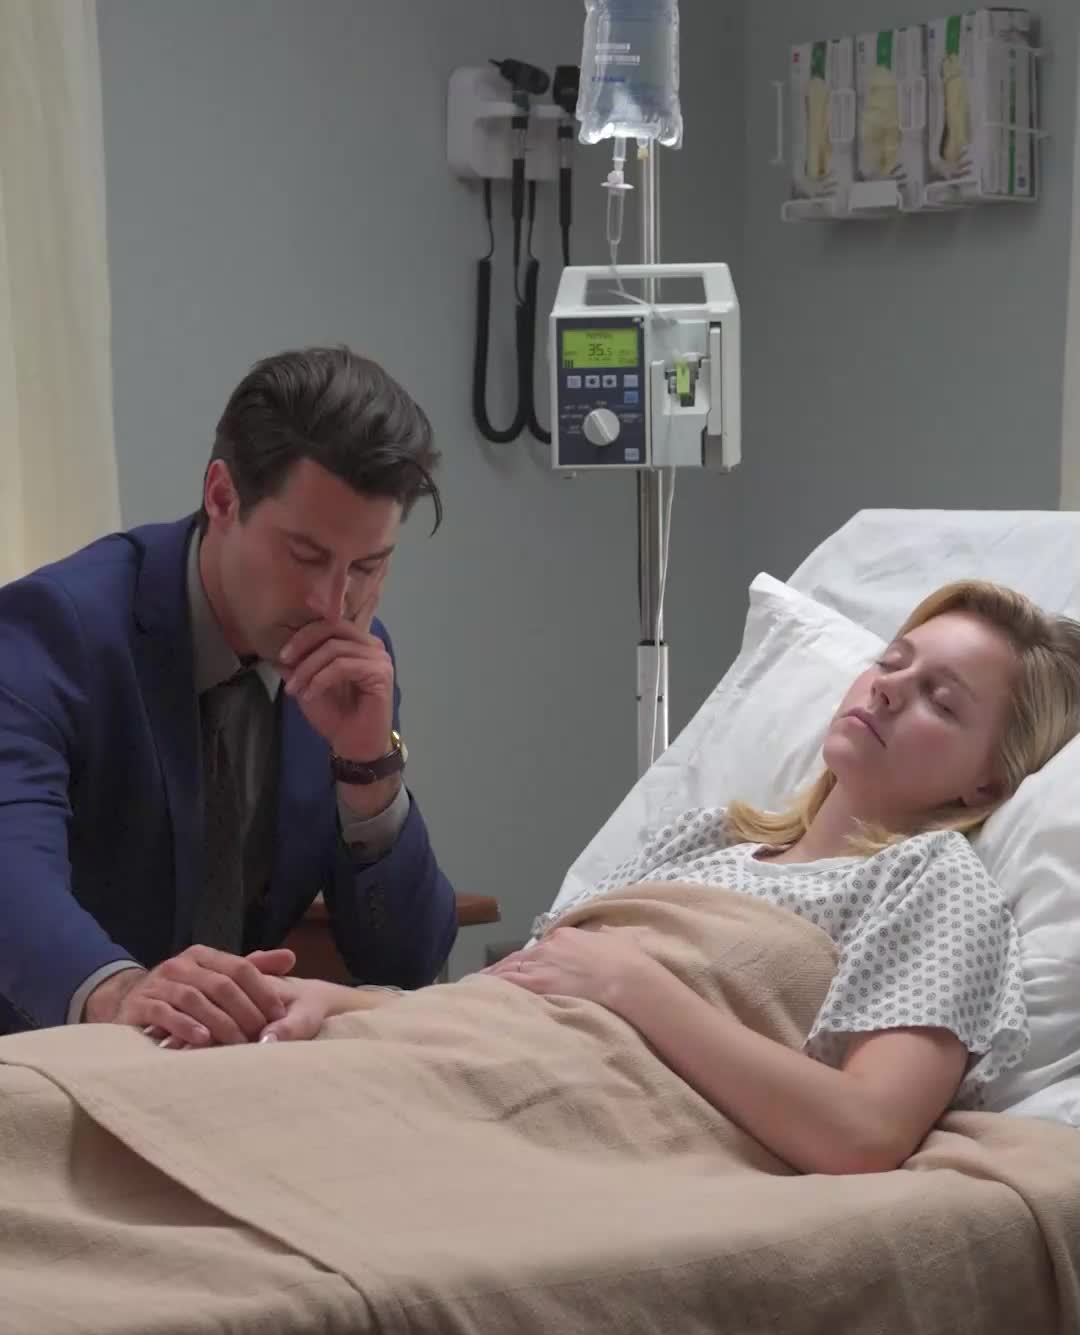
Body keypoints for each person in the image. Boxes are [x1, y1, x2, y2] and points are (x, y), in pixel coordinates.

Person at [231, 581, 1080, 1176]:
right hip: (467, 1055)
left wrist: (636, 986)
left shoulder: (931, 881)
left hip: (562, 1125)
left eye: (941, 699)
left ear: (987, 786)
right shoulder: (712, 837)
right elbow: (523, 991)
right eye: (893, 661)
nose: (889, 691)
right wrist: (342, 1005)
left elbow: (866, 1132)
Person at [0, 345, 457, 1040]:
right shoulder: (56, 629)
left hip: (217, 1070)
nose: (334, 603)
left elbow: (409, 964)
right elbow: (11, 875)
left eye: (368, 566)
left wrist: (371, 772)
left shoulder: (355, 665)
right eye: (306, 556)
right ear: (221, 497)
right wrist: (117, 992)